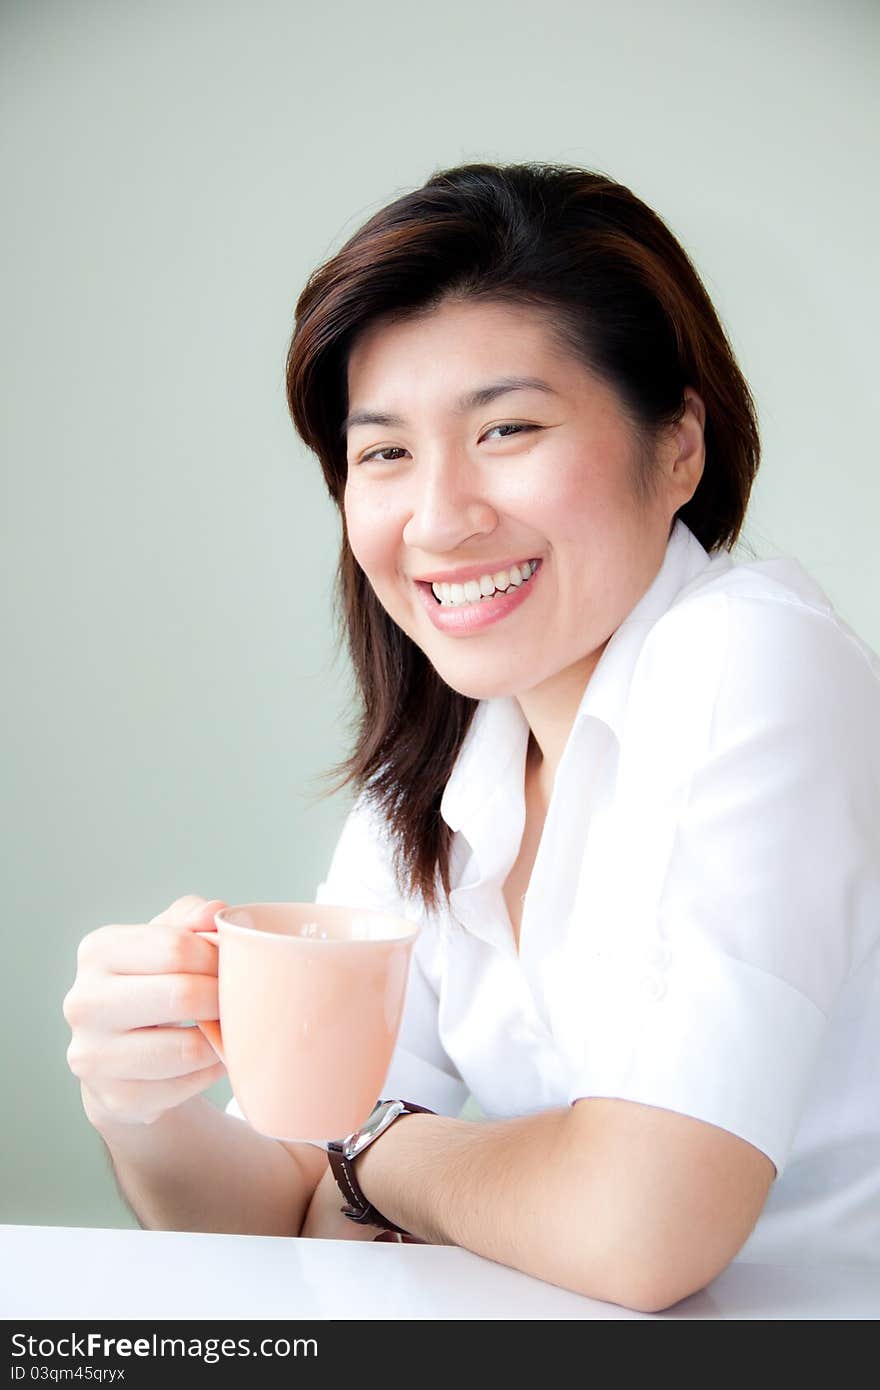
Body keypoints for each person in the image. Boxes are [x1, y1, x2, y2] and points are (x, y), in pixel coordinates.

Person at [63, 160, 880, 1313]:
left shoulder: (751, 659)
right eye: (384, 452)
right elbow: (282, 1197)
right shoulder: (452, 754)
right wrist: (138, 1103)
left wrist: (377, 1152)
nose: (439, 517)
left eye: (507, 427)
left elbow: (640, 1230)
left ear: (678, 446)